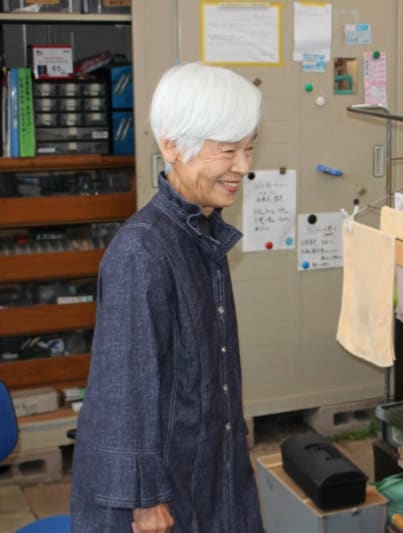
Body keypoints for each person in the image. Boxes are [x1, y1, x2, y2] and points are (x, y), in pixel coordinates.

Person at [70, 62, 263, 532]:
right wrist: (145, 500)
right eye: (228, 151)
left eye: (249, 148)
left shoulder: (202, 233)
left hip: (204, 463)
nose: (243, 166)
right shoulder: (143, 250)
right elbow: (125, 389)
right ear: (173, 146)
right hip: (154, 494)